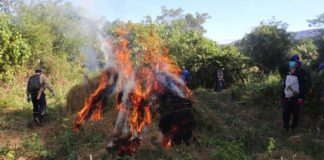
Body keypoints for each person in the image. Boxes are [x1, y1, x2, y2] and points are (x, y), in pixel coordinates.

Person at [281, 61, 303, 131]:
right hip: (287, 97)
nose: (292, 68)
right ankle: (286, 127)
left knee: (295, 113)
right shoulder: (287, 75)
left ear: (296, 67)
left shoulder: (299, 75)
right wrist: (283, 96)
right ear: (290, 67)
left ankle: (294, 127)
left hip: (295, 97)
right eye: (291, 67)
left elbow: (302, 87)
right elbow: (284, 86)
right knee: (285, 113)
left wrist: (300, 98)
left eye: (294, 67)